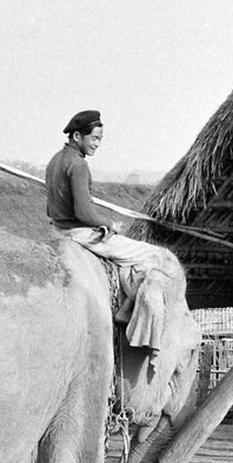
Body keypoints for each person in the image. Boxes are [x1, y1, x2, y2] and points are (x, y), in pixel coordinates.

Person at [45, 110, 180, 352]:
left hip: (59, 230)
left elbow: (49, 208)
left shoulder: (54, 161)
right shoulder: (78, 165)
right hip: (81, 234)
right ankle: (133, 315)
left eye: (100, 140)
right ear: (77, 136)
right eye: (94, 139)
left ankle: (128, 303)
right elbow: (84, 213)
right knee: (155, 256)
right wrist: (107, 224)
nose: (97, 144)